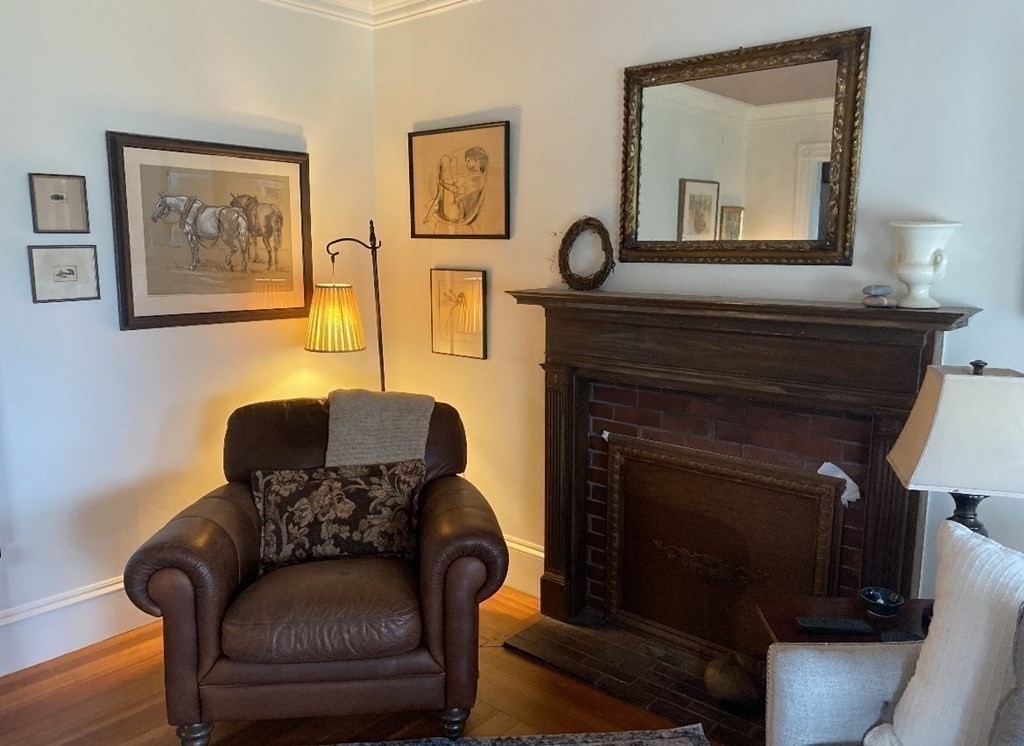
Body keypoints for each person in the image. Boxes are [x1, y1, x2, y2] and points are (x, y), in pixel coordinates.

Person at [423, 146, 489, 233]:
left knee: (445, 160)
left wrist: (443, 184)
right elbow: (461, 186)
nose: (467, 164)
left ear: (478, 161)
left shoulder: (477, 179)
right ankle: (434, 204)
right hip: (457, 208)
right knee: (452, 163)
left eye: (469, 161)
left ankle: (433, 206)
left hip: (456, 212)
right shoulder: (477, 176)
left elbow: (459, 191)